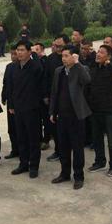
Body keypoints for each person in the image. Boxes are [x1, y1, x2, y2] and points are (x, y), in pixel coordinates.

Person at [49, 46, 92, 189]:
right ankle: (64, 173)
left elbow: (87, 80)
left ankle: (78, 176)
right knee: (63, 147)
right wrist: (52, 111)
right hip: (62, 116)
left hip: (77, 115)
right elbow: (54, 92)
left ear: (74, 57)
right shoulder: (58, 71)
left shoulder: (81, 69)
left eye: (67, 56)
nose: (64, 58)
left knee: (77, 147)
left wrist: (78, 64)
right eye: (63, 56)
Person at [86, 45, 112, 176]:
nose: (98, 54)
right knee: (97, 138)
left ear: (108, 56)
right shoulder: (93, 68)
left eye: (102, 53)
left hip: (109, 110)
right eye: (98, 51)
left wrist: (110, 65)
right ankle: (99, 162)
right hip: (95, 109)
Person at [9, 40, 45, 178]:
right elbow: (12, 88)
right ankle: (23, 164)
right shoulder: (14, 67)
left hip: (32, 108)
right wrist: (11, 105)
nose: (19, 52)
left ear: (29, 52)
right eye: (18, 50)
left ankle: (34, 166)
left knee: (33, 138)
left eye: (22, 50)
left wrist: (35, 55)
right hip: (18, 108)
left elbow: (40, 78)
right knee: (21, 137)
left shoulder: (34, 66)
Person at [44, 34, 70, 162]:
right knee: (54, 125)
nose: (58, 48)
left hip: (68, 99)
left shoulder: (73, 59)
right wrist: (46, 95)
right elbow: (46, 77)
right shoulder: (51, 58)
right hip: (54, 98)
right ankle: (58, 150)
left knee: (67, 127)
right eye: (56, 46)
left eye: (60, 46)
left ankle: (67, 150)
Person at [1, 45, 19, 159]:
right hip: (10, 102)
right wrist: (4, 96)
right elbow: (5, 83)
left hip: (20, 102)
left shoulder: (23, 67)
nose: (13, 56)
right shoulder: (9, 67)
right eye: (11, 54)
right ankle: (14, 149)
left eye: (15, 54)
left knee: (20, 128)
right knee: (11, 128)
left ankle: (23, 150)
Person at [32, 42, 50, 150]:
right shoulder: (33, 61)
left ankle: (46, 139)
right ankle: (38, 139)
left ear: (42, 50)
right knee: (36, 119)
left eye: (37, 50)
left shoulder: (45, 60)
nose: (34, 52)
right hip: (34, 96)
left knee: (45, 119)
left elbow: (45, 77)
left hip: (43, 95)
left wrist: (45, 95)